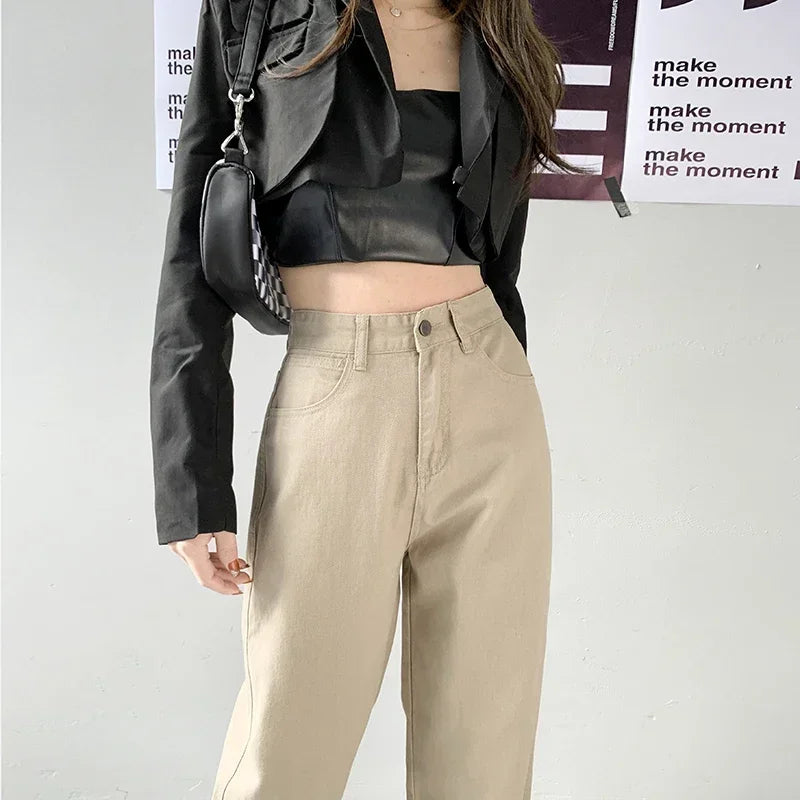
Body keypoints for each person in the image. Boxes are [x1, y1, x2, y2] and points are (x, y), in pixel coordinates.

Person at [149, 0, 585, 796]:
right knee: (288, 744)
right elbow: (191, 252)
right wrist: (191, 485)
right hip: (338, 392)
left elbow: (499, 255)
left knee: (483, 754)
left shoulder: (496, 22)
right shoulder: (260, 10)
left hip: (488, 394)